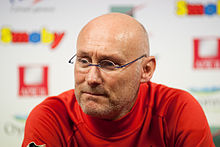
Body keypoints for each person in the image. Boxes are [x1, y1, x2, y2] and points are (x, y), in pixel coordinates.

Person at [22, 13, 215, 147]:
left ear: (146, 70)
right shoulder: (51, 118)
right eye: (83, 61)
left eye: (109, 64)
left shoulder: (177, 110)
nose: (91, 78)